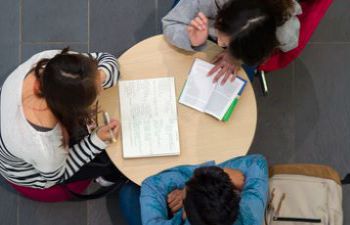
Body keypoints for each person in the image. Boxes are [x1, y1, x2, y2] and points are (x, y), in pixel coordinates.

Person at [0, 48, 122, 189]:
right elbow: (58, 176)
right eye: (99, 90)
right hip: (27, 172)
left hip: (13, 137)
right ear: (73, 109)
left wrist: (99, 77)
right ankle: (105, 178)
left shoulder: (56, 65)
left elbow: (106, 59)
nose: (101, 89)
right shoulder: (45, 148)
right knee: (108, 161)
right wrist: (96, 141)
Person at [162, 0, 302, 83]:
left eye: (227, 44)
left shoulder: (284, 31)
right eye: (223, 39)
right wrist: (192, 40)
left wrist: (236, 58)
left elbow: (261, 53)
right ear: (222, 17)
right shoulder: (209, 2)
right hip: (201, 27)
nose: (220, 44)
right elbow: (170, 23)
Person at [140, 154, 268, 225]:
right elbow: (257, 162)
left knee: (128, 191)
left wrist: (217, 170)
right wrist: (217, 174)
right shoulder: (251, 210)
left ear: (185, 213)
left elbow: (151, 185)